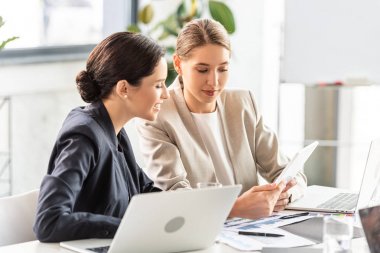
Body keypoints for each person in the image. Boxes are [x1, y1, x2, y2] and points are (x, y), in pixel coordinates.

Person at [136, 18, 307, 220]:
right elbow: (175, 194)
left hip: (252, 230)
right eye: (202, 70)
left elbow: (289, 172)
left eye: (223, 69)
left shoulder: (244, 103)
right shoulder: (157, 115)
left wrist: (284, 195)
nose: (214, 81)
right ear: (178, 64)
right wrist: (235, 207)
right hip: (199, 230)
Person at [33, 32, 169, 242]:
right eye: (158, 85)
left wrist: (182, 211)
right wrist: (125, 227)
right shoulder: (83, 136)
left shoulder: (115, 130)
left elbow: (143, 190)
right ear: (124, 88)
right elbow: (49, 222)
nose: (166, 94)